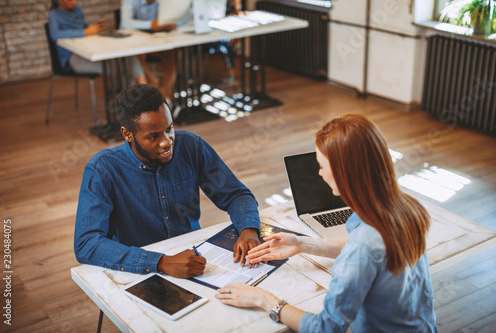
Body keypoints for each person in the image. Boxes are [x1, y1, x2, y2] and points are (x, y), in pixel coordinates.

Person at [215, 114, 438, 332]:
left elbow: (326, 328)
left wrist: (265, 300)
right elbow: (368, 249)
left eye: (321, 165)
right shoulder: (404, 207)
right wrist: (302, 244)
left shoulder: (363, 247)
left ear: (344, 173)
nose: (319, 173)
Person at [74, 84, 261, 278]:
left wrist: (249, 229)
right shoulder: (102, 169)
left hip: (193, 261)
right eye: (153, 136)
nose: (166, 142)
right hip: (137, 271)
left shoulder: (190, 146)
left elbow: (236, 194)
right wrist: (161, 262)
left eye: (169, 129)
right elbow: (86, 243)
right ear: (127, 134)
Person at [48, 0, 147, 84]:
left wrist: (93, 29)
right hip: (73, 58)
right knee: (122, 65)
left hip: (88, 51)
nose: (74, 1)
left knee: (129, 58)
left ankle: (140, 92)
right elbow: (55, 35)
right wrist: (84, 32)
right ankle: (137, 96)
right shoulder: (54, 15)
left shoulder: (77, 11)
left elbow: (84, 29)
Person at [119, 0, 190, 104]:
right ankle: (162, 95)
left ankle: (162, 92)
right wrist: (151, 25)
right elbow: (124, 24)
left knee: (177, 52)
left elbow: (185, 18)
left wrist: (175, 23)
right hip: (139, 46)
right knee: (138, 54)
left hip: (160, 43)